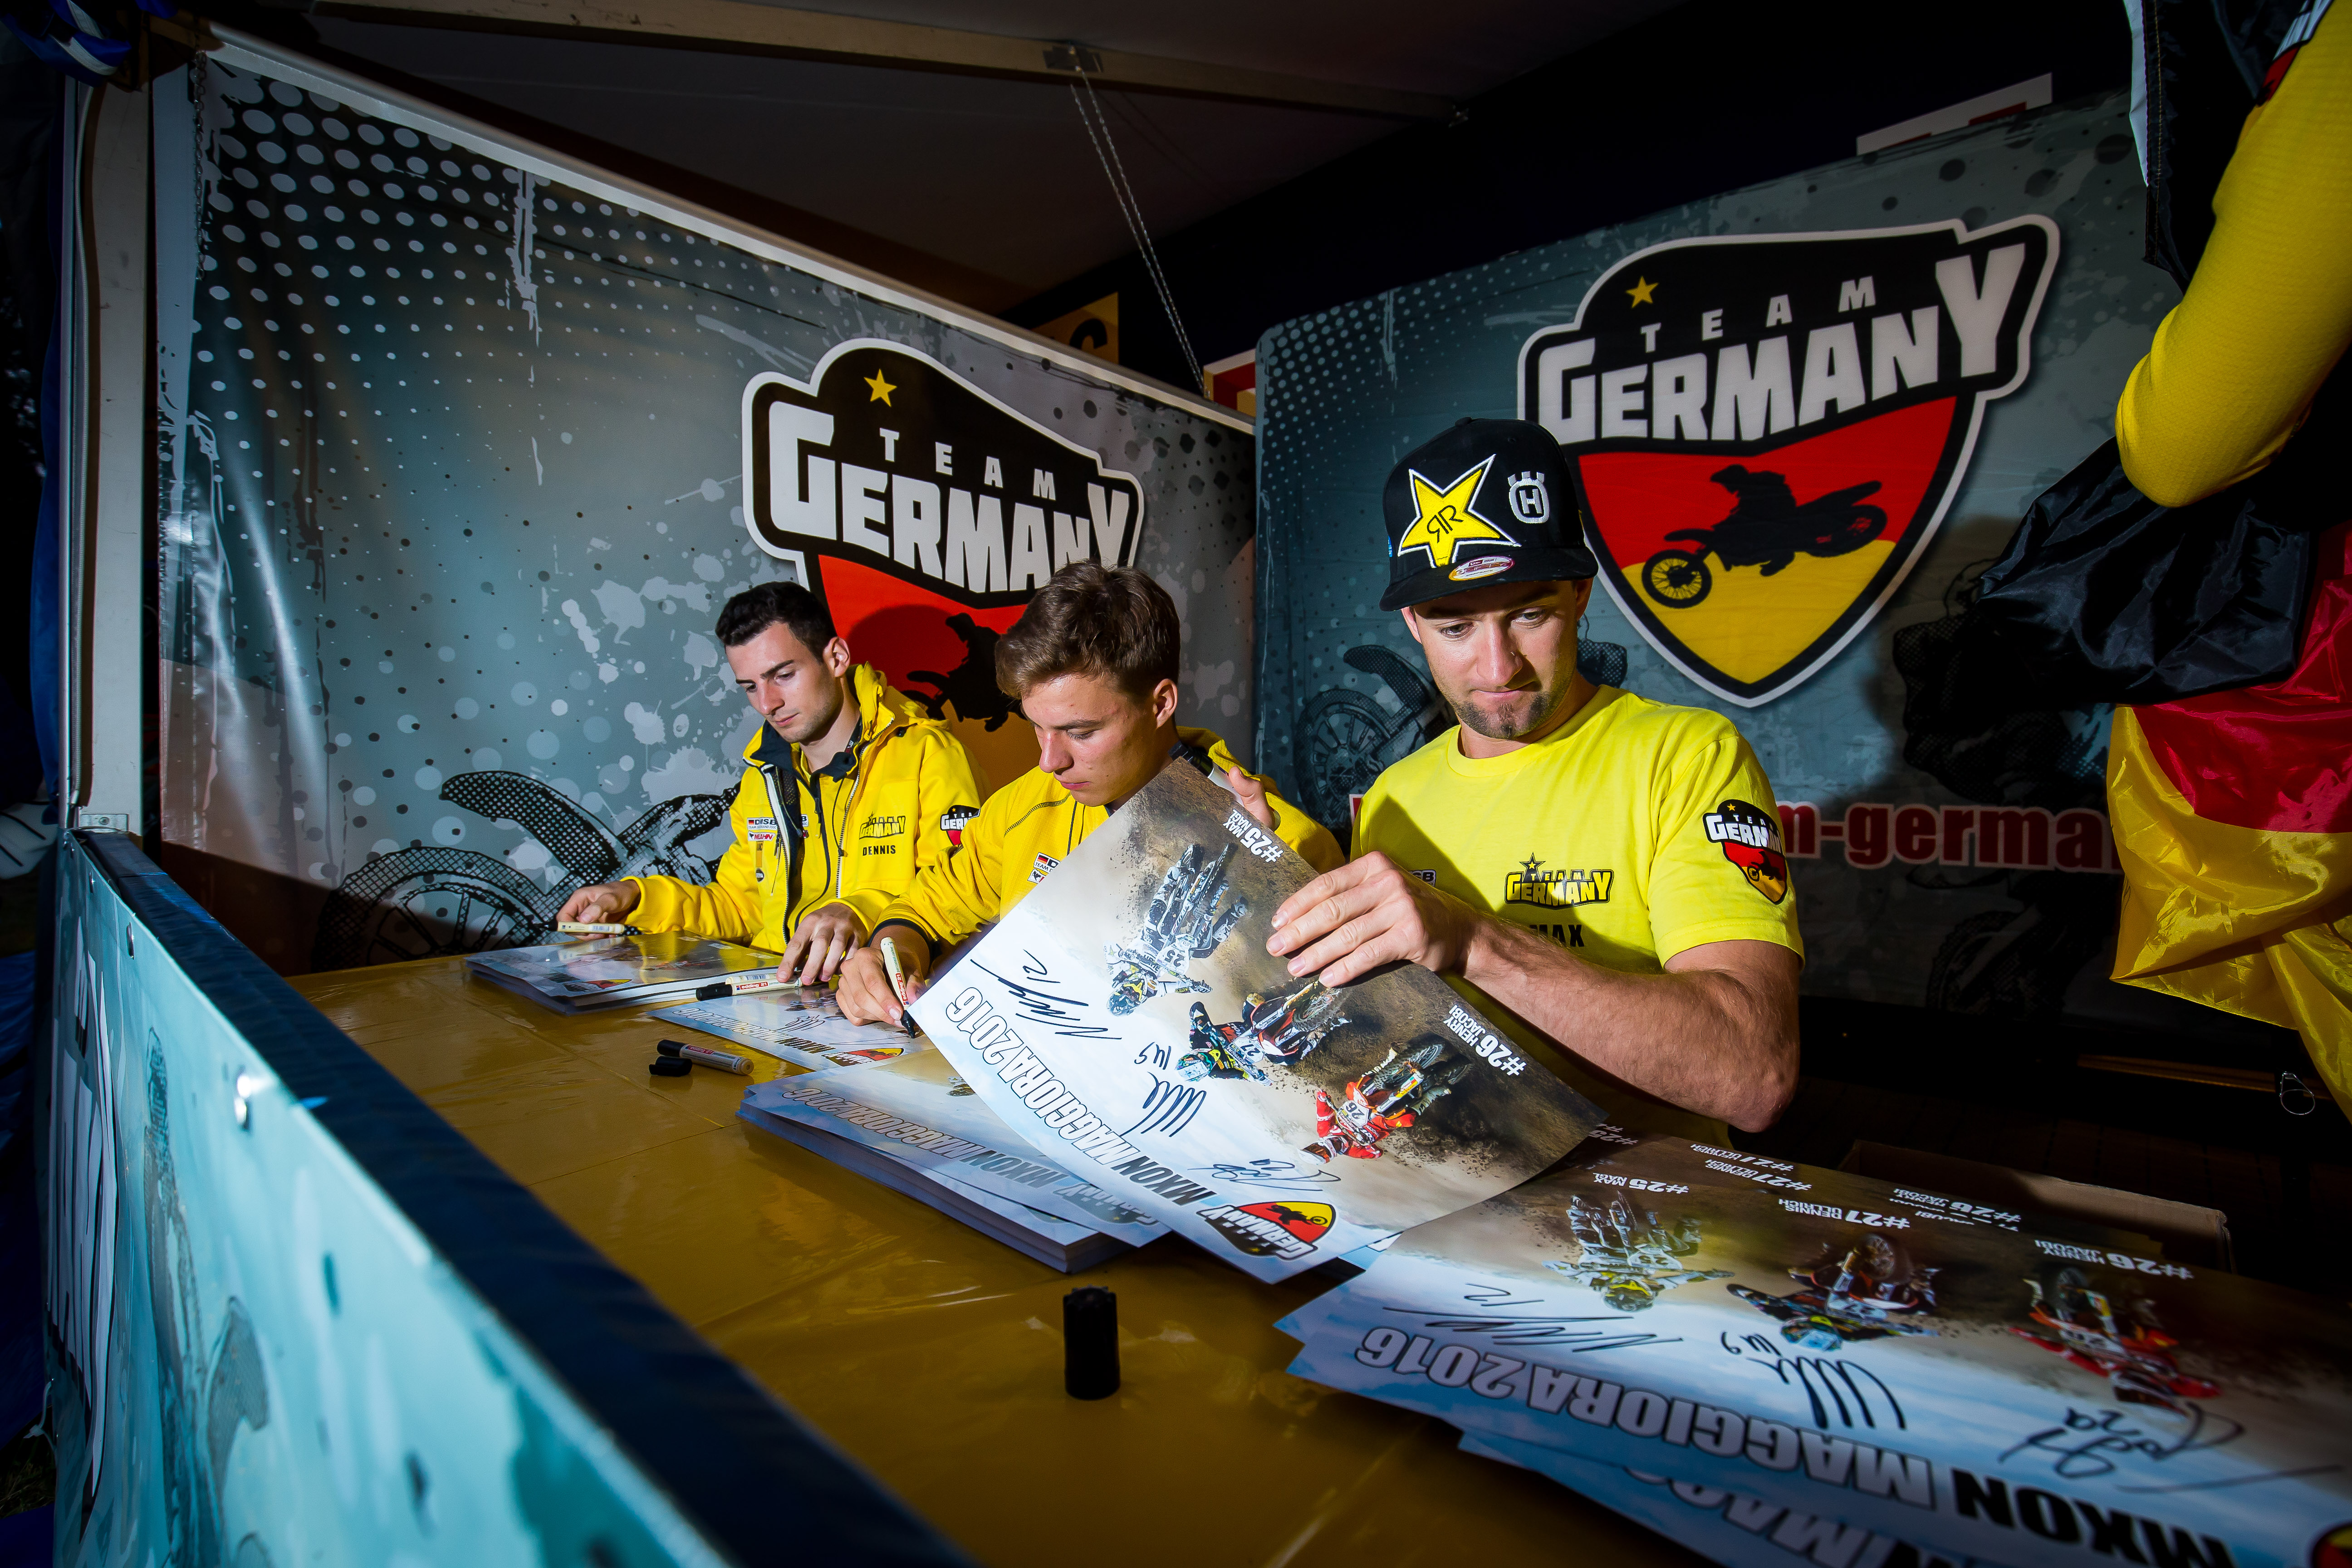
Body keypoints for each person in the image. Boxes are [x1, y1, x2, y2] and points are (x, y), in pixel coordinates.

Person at [1264, 418, 1803, 1138]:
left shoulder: (1688, 757)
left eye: (1529, 614)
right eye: (1455, 627)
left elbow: (1755, 1076)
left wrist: (1475, 942)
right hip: (1442, 1176)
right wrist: (1264, 893)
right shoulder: (1394, 797)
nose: (1498, 667)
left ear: (1580, 594)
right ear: (1414, 624)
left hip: (1633, 1195)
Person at [836, 563, 1341, 1025]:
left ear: (1161, 703)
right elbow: (925, 910)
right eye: (1037, 727)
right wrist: (888, 957)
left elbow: (1328, 1023)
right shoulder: (1023, 805)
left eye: (1080, 733)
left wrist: (1263, 889)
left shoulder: (1288, 842)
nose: (1049, 761)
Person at [559, 581, 983, 985]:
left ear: (836, 658)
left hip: (883, 1000)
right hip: (779, 999)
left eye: (783, 675)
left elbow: (961, 898)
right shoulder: (761, 777)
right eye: (750, 686)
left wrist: (861, 911)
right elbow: (741, 908)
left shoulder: (929, 755)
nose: (767, 703)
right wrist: (635, 898)